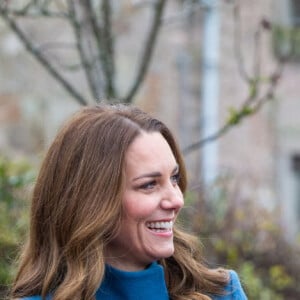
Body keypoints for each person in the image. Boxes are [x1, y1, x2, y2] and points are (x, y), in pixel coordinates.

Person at [11, 104, 247, 300]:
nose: (176, 200)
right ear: (91, 201)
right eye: (149, 184)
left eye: (174, 178)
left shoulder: (220, 293)